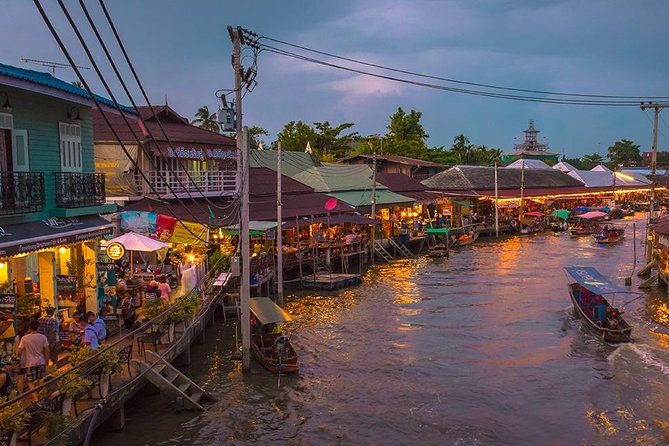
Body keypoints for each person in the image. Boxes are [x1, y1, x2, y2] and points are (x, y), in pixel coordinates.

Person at [17, 320, 49, 400]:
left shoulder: (24, 338)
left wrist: (18, 359)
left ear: (30, 328)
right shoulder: (43, 337)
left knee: (30, 381)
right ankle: (40, 396)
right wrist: (47, 361)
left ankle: (35, 398)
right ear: (38, 327)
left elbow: (19, 351)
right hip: (41, 361)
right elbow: (47, 350)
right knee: (41, 380)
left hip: (30, 363)